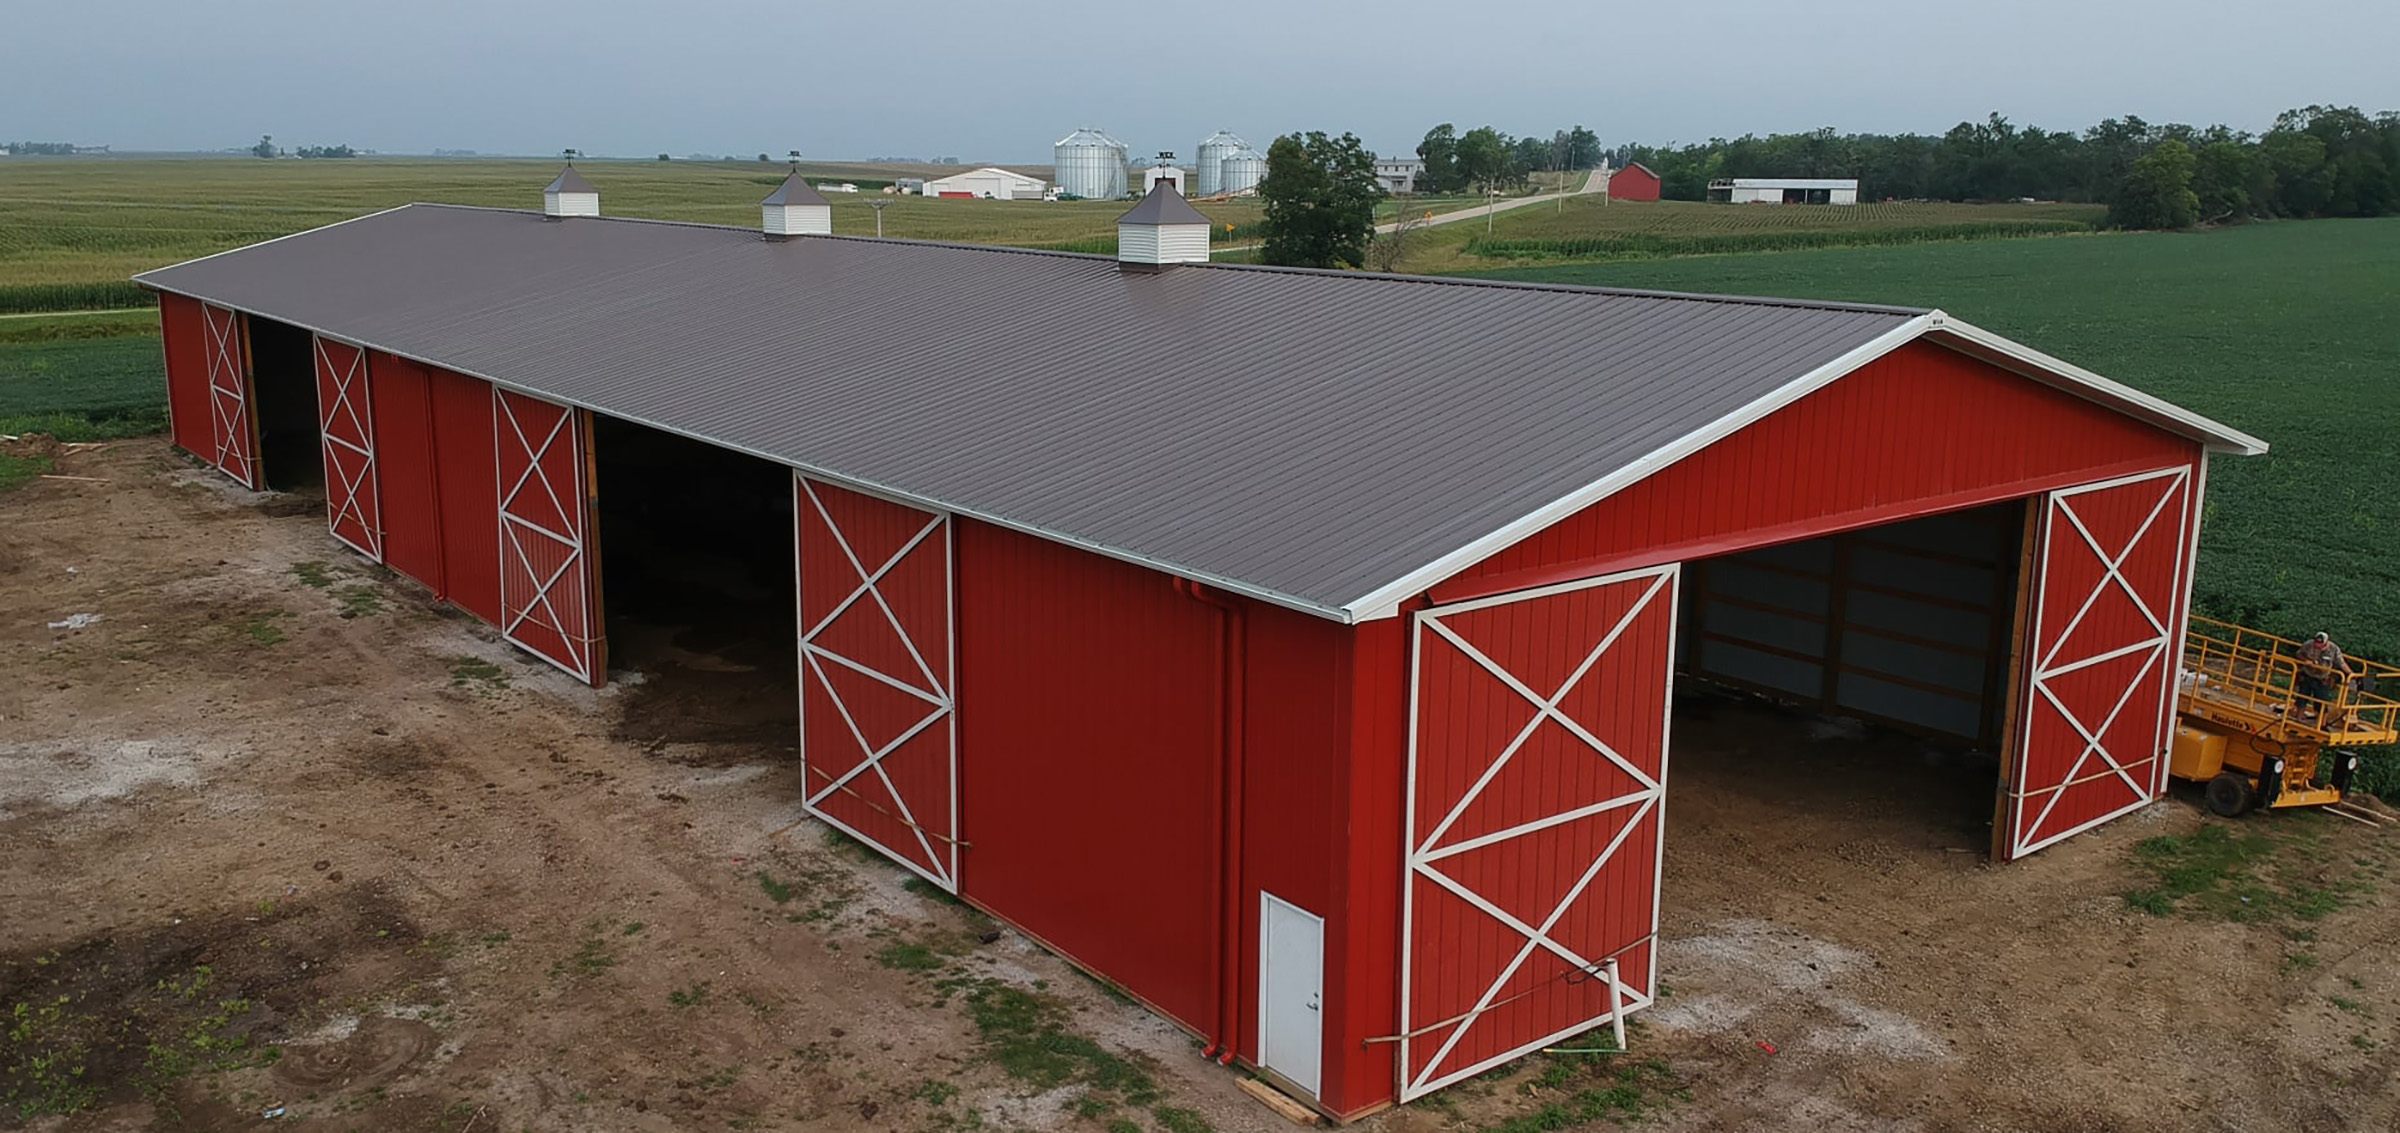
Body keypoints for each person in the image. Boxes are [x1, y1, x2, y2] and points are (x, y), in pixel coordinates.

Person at [2295, 632, 2353, 719]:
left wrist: (2351, 673)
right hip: (2308, 674)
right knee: (2302, 698)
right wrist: (2306, 660)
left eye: (2320, 644)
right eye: (2316, 643)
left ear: (2326, 643)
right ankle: (2298, 718)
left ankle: (2321, 723)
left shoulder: (2334, 649)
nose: (2318, 646)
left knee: (2321, 702)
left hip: (2322, 678)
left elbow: (2342, 663)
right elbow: (2299, 654)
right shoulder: (2308, 644)